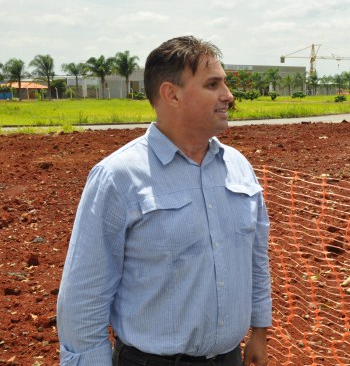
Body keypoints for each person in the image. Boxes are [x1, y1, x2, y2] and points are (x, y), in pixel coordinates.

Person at [57, 36, 272, 366]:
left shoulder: (239, 167)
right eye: (212, 84)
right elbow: (84, 301)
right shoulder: (119, 177)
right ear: (171, 94)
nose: (228, 96)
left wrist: (259, 330)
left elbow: (255, 258)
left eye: (224, 84)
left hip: (230, 358)